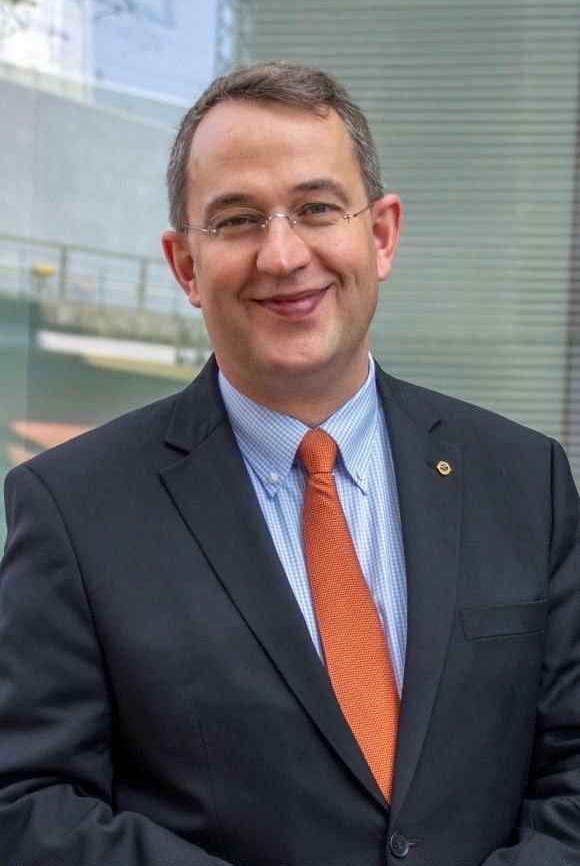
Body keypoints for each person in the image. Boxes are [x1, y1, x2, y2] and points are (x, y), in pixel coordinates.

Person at [0, 61, 578, 866]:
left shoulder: (524, 480)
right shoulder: (74, 508)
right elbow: (28, 802)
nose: (281, 254)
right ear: (185, 265)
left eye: (316, 208)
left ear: (381, 235)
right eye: (237, 219)